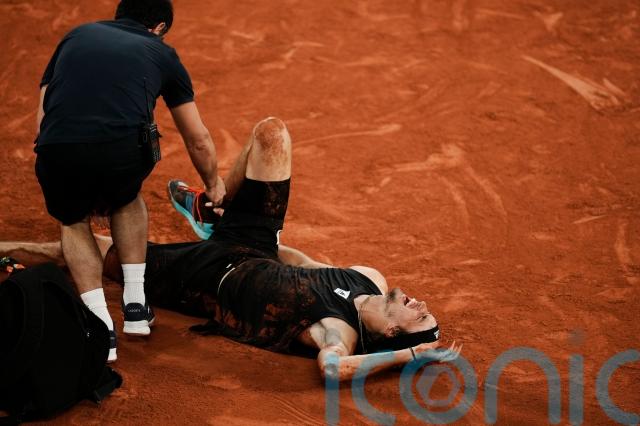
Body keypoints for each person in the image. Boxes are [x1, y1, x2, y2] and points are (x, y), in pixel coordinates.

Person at [6, 117, 460, 379]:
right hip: (253, 244)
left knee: (78, 251)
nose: (421, 304)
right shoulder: (369, 277)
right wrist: (250, 225)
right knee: (271, 134)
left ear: (393, 333)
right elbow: (302, 262)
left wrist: (410, 358)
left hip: (204, 278)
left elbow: (332, 370)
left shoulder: (339, 332)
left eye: (420, 317)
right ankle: (210, 208)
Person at [34, 0, 226, 362]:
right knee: (126, 197)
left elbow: (45, 112)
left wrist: (63, 164)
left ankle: (99, 326)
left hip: (57, 147)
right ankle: (135, 304)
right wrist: (213, 183)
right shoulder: (162, 52)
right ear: (160, 28)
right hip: (120, 153)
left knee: (73, 220)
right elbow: (197, 139)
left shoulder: (75, 36)